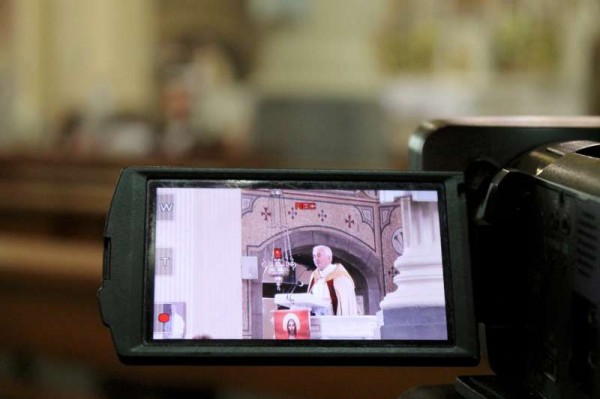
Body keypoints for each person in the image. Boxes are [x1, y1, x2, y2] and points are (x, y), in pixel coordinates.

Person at [307, 245, 358, 316]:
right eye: (314, 256)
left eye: (319, 255)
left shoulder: (340, 276)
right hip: (317, 318)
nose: (316, 259)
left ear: (329, 258)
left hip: (334, 320)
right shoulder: (314, 276)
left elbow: (344, 304)